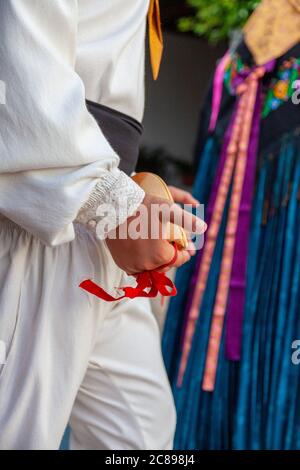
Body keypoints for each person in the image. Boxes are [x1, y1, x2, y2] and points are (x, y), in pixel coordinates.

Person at [0, 0, 206, 450]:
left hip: (95, 208)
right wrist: (117, 209)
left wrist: (131, 190)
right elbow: (16, 82)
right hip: (40, 217)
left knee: (140, 439)